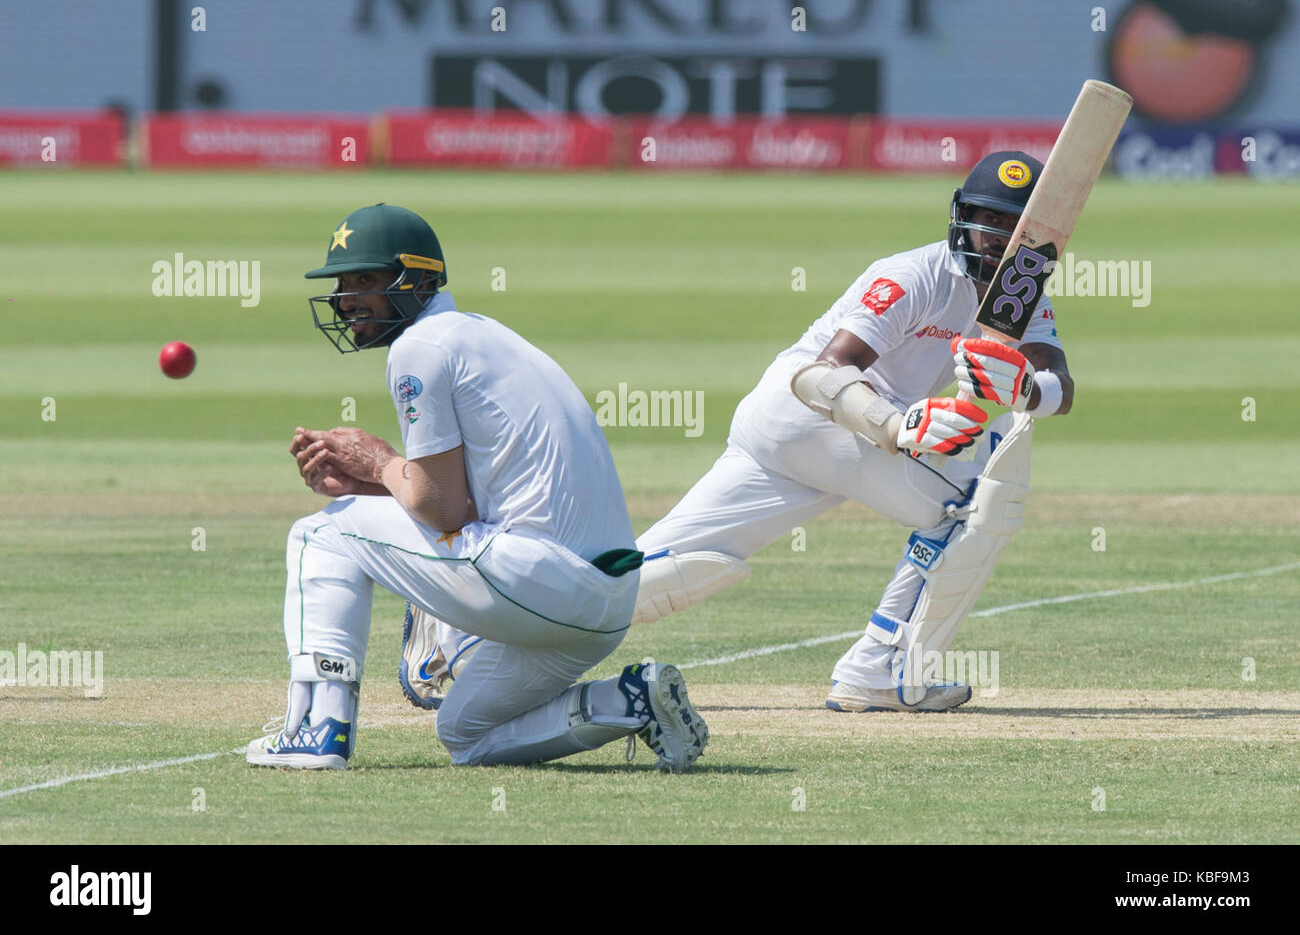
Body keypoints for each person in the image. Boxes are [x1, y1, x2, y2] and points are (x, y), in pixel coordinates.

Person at [245, 203, 708, 771]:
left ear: (417, 280)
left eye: (364, 280)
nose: (345, 298)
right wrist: (375, 483)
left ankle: (319, 730)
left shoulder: (421, 348)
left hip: (534, 579)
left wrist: (379, 459)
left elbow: (442, 511)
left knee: (322, 535)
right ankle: (629, 701)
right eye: (342, 283)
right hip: (604, 607)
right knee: (465, 733)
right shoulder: (483, 336)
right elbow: (463, 502)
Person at [629, 151, 1073, 712]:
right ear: (963, 216)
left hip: (796, 437)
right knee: (970, 508)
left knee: (659, 564)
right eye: (990, 220)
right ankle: (878, 672)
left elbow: (1062, 386)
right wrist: (897, 425)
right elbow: (824, 373)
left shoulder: (1019, 294)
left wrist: (1025, 390)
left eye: (1014, 227)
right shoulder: (913, 274)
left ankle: (503, 631)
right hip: (817, 415)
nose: (999, 238)